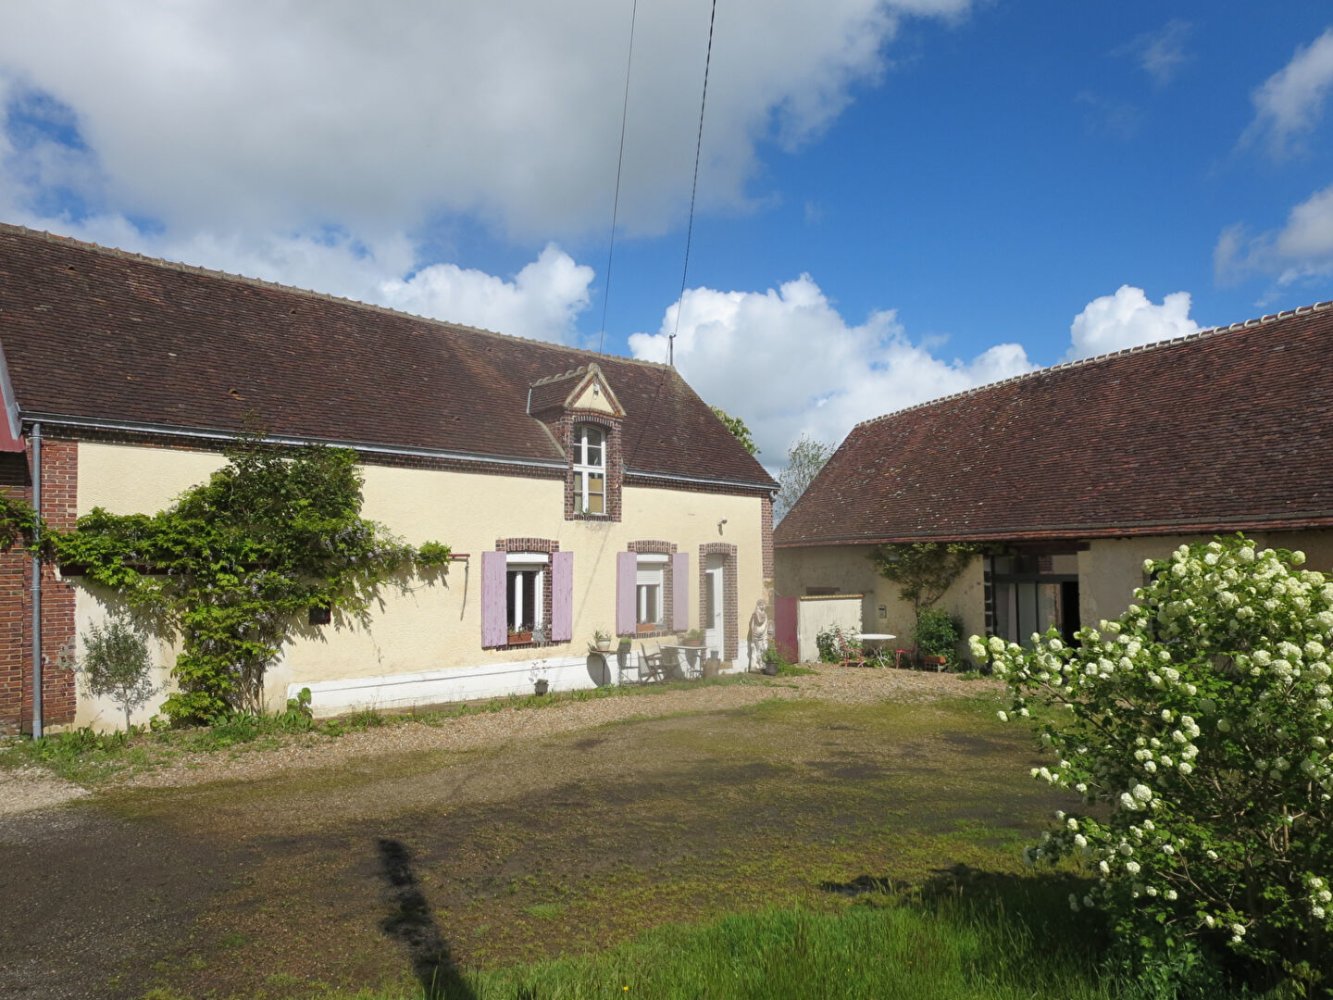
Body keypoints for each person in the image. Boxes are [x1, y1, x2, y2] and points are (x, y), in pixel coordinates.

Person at [748, 598, 769, 672]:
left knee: (764, 648)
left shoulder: (764, 614)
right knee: (756, 649)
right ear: (758, 605)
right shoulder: (756, 614)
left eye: (764, 605)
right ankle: (754, 666)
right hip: (756, 635)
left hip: (763, 634)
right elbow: (759, 621)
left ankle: (761, 665)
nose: (763, 606)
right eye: (761, 605)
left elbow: (765, 624)